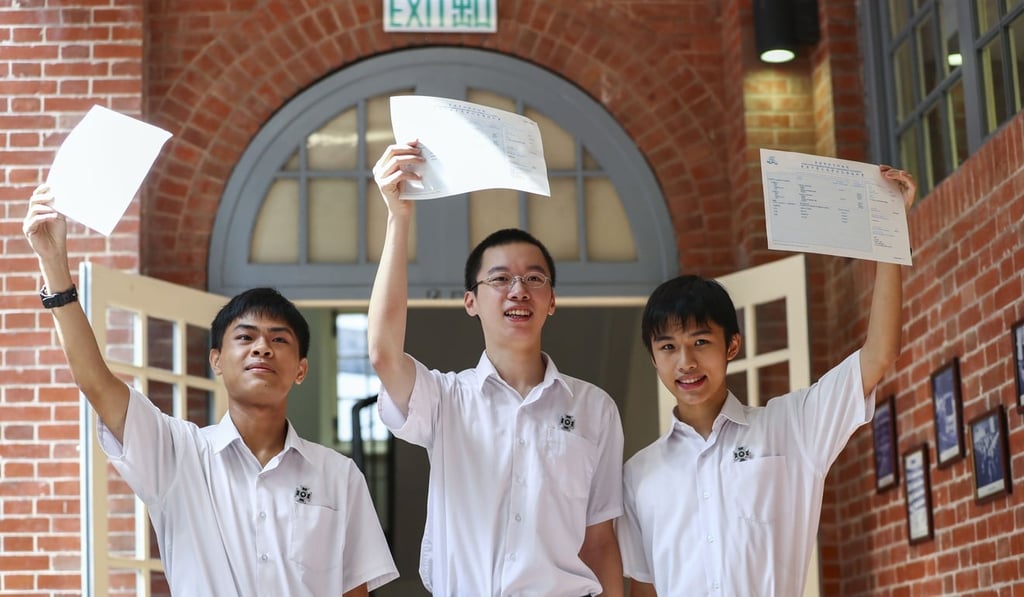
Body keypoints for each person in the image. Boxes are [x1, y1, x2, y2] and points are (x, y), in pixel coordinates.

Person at [23, 185, 398, 597]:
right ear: (216, 360)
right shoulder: (177, 455)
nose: (262, 347)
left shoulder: (337, 475)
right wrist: (54, 266)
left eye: (279, 339)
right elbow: (95, 382)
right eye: (246, 337)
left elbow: (354, 592)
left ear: (301, 370)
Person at [617, 166, 916, 596]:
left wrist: (891, 231)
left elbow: (879, 354)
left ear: (732, 346)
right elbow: (643, 590)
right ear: (654, 357)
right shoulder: (638, 475)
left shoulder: (791, 427)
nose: (685, 362)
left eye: (701, 341)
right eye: (668, 348)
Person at [367, 141, 625, 597]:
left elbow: (601, 542)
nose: (518, 290)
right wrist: (398, 217)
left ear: (551, 301)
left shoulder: (594, 408)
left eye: (534, 278)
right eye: (500, 278)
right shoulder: (446, 400)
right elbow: (384, 355)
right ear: (471, 301)